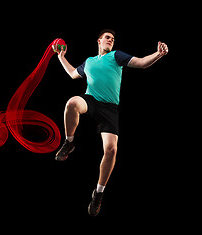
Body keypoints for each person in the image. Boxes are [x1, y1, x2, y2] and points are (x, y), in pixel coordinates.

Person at [52, 29, 168, 216]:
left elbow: (140, 63)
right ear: (99, 40)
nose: (110, 40)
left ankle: (98, 193)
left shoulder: (116, 56)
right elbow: (73, 74)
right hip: (91, 100)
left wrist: (159, 54)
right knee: (72, 103)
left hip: (109, 109)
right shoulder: (89, 62)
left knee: (111, 150)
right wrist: (61, 57)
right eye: (107, 37)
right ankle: (69, 142)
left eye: (112, 39)